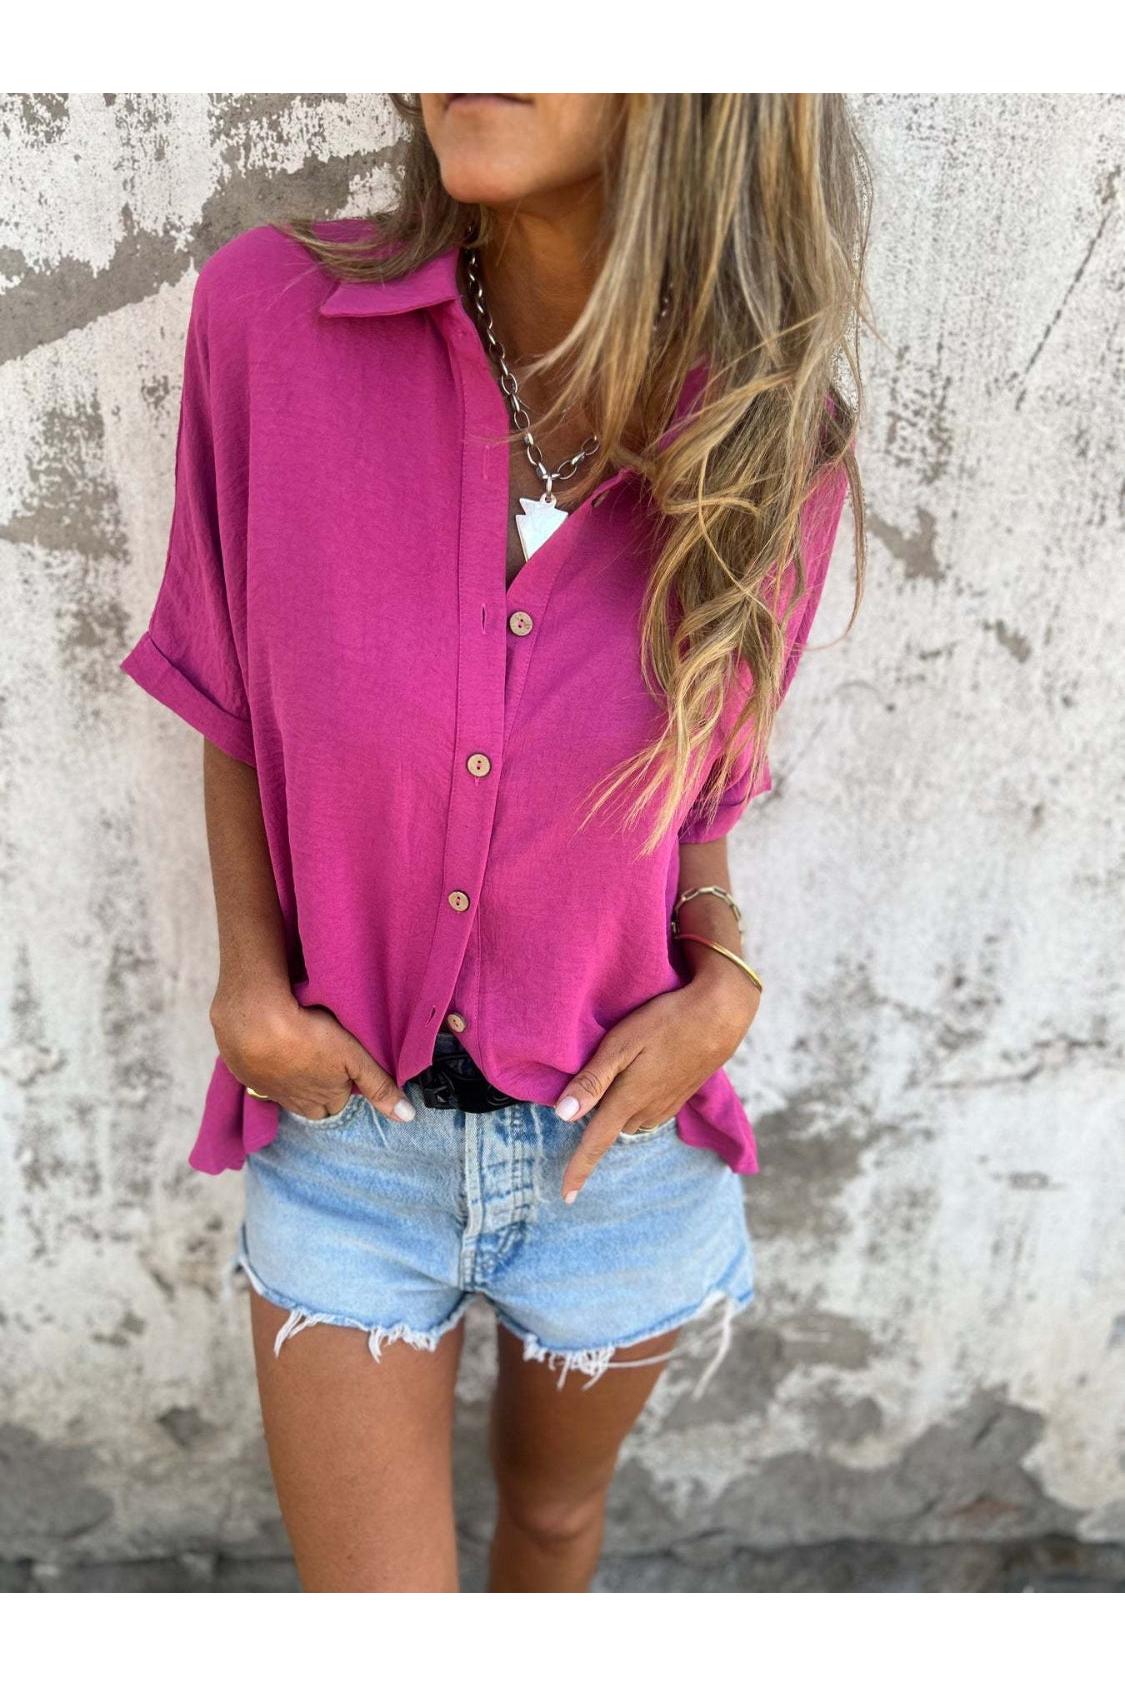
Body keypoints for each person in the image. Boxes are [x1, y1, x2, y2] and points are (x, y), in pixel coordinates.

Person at [120, 92, 870, 1593]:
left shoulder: (773, 436)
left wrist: (721, 983)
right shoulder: (270, 320)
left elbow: (696, 799)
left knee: (554, 1524)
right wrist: (248, 983)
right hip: (349, 1130)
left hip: (620, 1147)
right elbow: (230, 687)